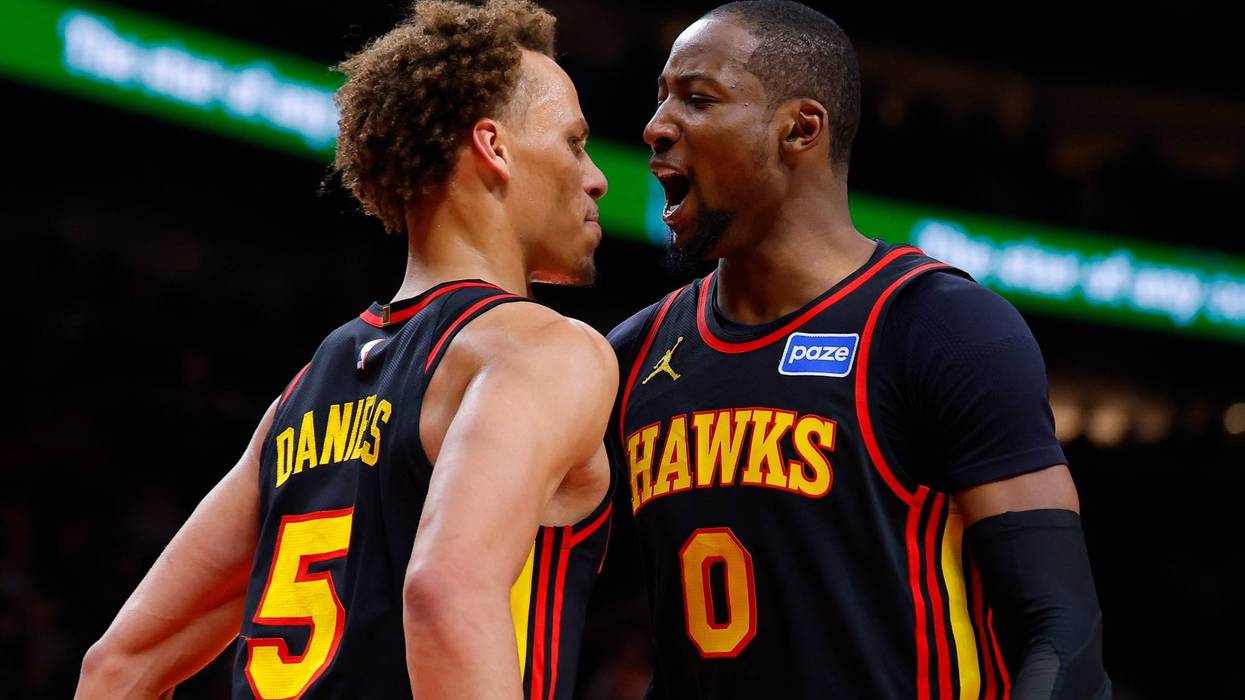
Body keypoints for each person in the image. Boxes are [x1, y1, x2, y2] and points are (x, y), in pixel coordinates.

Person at [75, 1, 616, 698]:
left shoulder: (302, 394)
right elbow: (446, 590)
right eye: (574, 142)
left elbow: (116, 667)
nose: (594, 175)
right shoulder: (541, 349)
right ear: (494, 146)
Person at [607, 2, 1109, 698]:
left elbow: (1061, 630)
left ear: (799, 129)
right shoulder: (633, 354)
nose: (656, 126)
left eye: (697, 99)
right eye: (660, 98)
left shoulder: (941, 326)